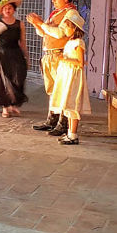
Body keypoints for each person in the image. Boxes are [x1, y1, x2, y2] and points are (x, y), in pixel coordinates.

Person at [26, 0, 84, 136]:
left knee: (63, 91)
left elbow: (60, 34)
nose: (53, 0)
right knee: (52, 91)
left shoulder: (71, 14)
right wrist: (37, 24)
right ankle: (52, 119)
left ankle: (63, 123)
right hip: (49, 55)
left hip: (60, 56)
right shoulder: (56, 13)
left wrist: (39, 23)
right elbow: (45, 33)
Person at [48, 15, 91, 145]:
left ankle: (73, 134)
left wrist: (63, 59)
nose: (65, 30)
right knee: (66, 103)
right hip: (66, 74)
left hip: (73, 76)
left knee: (73, 104)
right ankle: (69, 133)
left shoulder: (78, 43)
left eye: (67, 27)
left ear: (74, 28)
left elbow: (80, 62)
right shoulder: (69, 42)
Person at [0, 0, 28, 118]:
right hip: (0, 54)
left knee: (17, 78)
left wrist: (26, 56)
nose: (7, 10)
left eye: (10, 8)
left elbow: (22, 42)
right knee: (3, 81)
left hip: (15, 53)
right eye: (5, 8)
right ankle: (5, 107)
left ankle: (12, 104)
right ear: (2, 11)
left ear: (14, 10)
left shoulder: (20, 23)